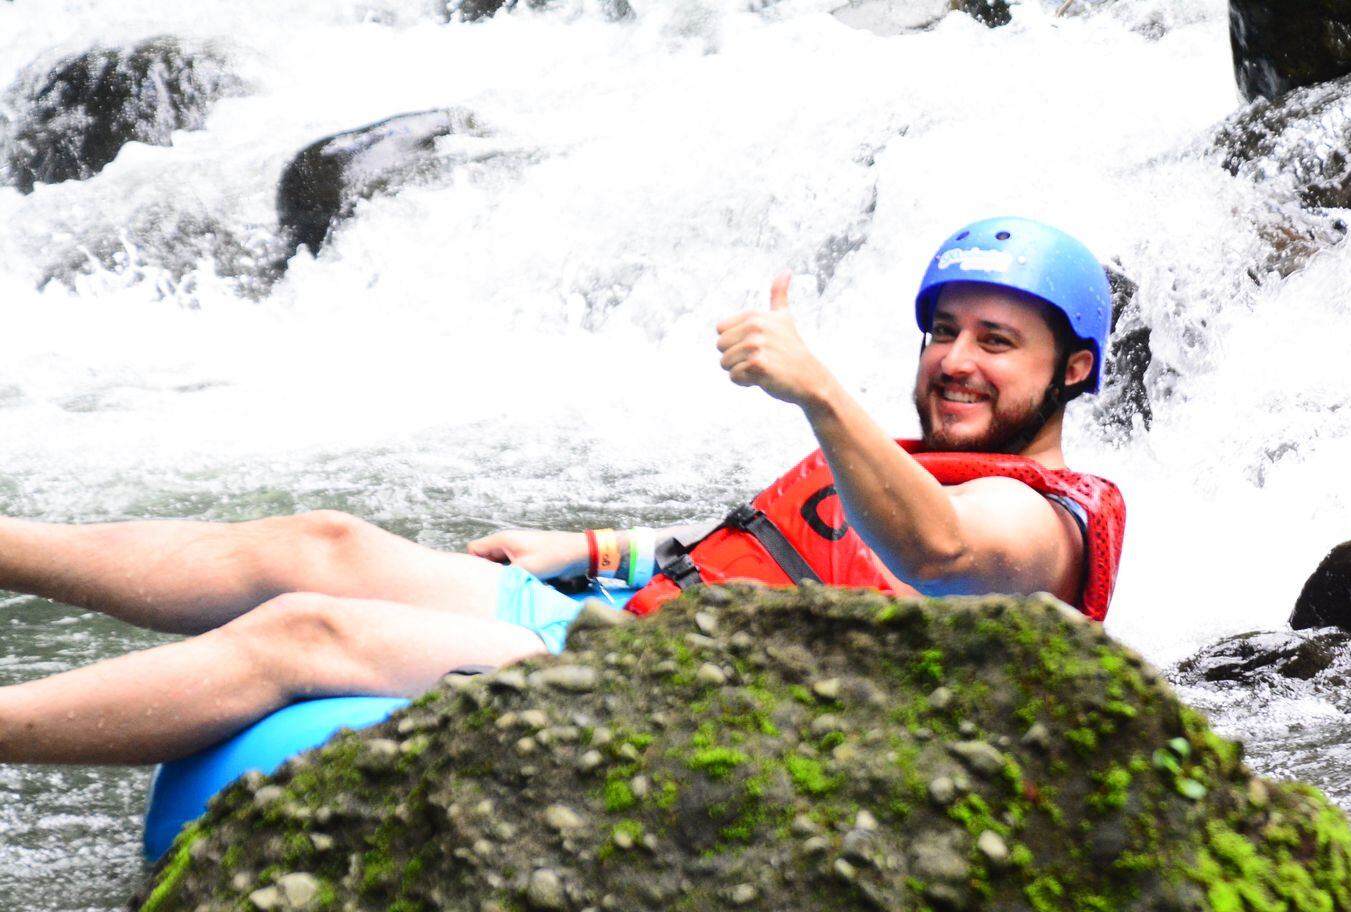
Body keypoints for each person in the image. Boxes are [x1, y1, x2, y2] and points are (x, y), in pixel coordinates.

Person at [0, 217, 1124, 765]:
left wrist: (816, 389)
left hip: (702, 713)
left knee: (310, 629)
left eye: (995, 341)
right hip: (636, 626)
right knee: (321, 540)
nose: (953, 361)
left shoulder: (1043, 521)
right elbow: (794, 553)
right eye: (939, 333)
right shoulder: (915, 460)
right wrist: (592, 545)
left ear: (1070, 370)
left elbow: (937, 553)